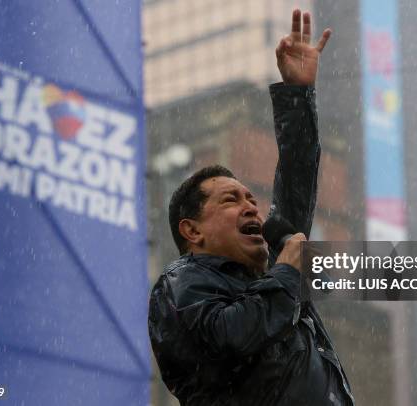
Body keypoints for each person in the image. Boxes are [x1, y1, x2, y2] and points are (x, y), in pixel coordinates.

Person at [148, 9, 354, 406]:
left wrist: (297, 95)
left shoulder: (272, 274)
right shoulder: (182, 283)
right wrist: (286, 276)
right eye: (230, 199)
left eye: (250, 199)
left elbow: (297, 180)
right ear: (193, 231)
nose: (251, 208)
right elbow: (234, 335)